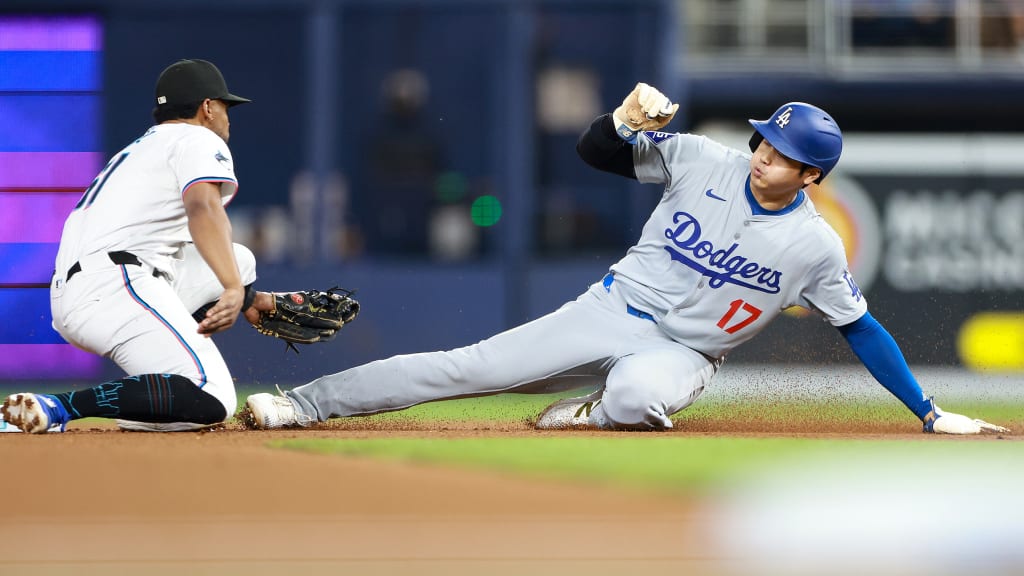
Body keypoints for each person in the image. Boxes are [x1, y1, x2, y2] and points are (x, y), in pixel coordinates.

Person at [243, 82, 1008, 435]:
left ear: (813, 177)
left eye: (785, 156)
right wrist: (619, 119)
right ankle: (303, 404)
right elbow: (596, 152)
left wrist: (930, 412)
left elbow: (862, 330)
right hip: (609, 308)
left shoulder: (814, 244)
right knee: (462, 368)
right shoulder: (706, 158)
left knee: (641, 400)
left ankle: (590, 413)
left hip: (686, 352)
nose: (765, 157)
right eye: (766, 141)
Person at [3, 59, 308, 433]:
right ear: (207, 107)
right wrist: (230, 287)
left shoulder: (144, 148)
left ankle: (153, 395)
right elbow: (202, 206)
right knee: (213, 397)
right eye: (226, 106)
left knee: (239, 260)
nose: (228, 117)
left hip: (88, 286)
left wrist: (248, 298)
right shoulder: (198, 138)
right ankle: (59, 407)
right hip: (116, 282)